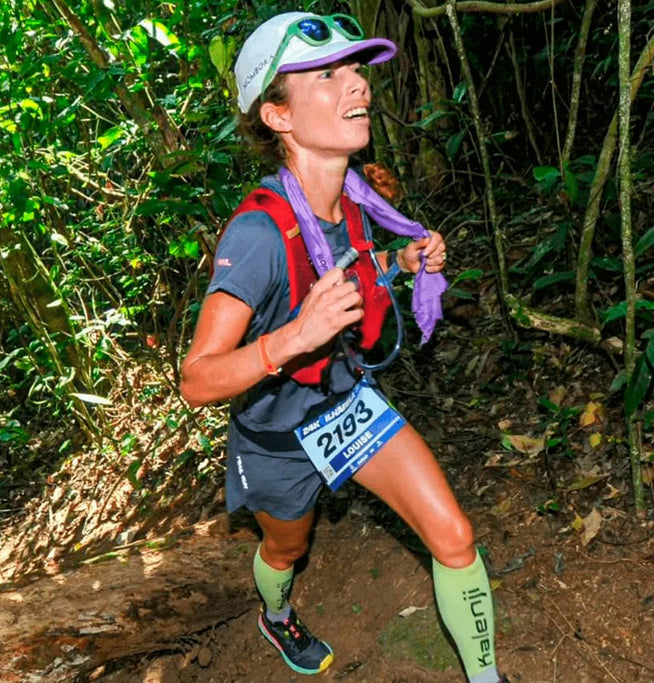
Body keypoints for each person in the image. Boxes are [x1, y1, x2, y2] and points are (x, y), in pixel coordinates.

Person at [180, 12, 507, 683]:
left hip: (345, 402)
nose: (357, 83)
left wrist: (401, 262)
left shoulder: (352, 199)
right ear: (278, 116)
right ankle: (276, 615)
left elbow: (350, 270)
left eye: (355, 68)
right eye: (327, 74)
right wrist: (295, 336)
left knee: (454, 533)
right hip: (276, 433)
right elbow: (197, 378)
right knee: (286, 547)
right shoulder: (257, 234)